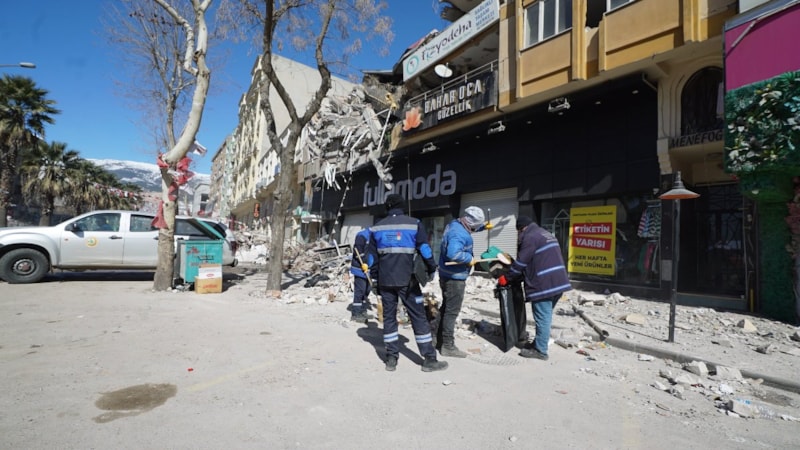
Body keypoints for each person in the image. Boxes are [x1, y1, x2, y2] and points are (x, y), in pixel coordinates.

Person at [368, 193, 448, 372]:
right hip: (408, 281)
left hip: (385, 280)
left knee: (389, 318)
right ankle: (429, 359)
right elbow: (425, 249)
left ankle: (391, 359)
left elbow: (371, 258)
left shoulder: (376, 228)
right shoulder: (414, 224)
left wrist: (374, 279)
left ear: (387, 207)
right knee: (418, 317)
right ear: (402, 206)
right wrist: (432, 267)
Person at [506, 216, 572, 361]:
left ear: (522, 228)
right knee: (546, 316)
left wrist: (508, 277)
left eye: (518, 232)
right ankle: (539, 342)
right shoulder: (545, 233)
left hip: (544, 284)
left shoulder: (530, 237)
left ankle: (541, 351)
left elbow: (522, 261)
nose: (518, 236)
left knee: (543, 318)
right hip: (558, 282)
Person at [436, 206, 488, 358]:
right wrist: (469, 259)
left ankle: (436, 339)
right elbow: (454, 253)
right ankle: (447, 346)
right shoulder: (458, 233)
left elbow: (468, 230)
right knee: (451, 312)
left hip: (446, 275)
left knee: (446, 308)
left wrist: (483, 227)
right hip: (455, 278)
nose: (475, 228)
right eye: (477, 225)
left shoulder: (455, 225)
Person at [349, 227, 373, 323]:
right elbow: (358, 252)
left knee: (367, 290)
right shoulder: (362, 235)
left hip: (368, 268)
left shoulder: (374, 236)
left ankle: (363, 310)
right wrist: (364, 263)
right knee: (360, 290)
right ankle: (356, 313)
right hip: (359, 268)